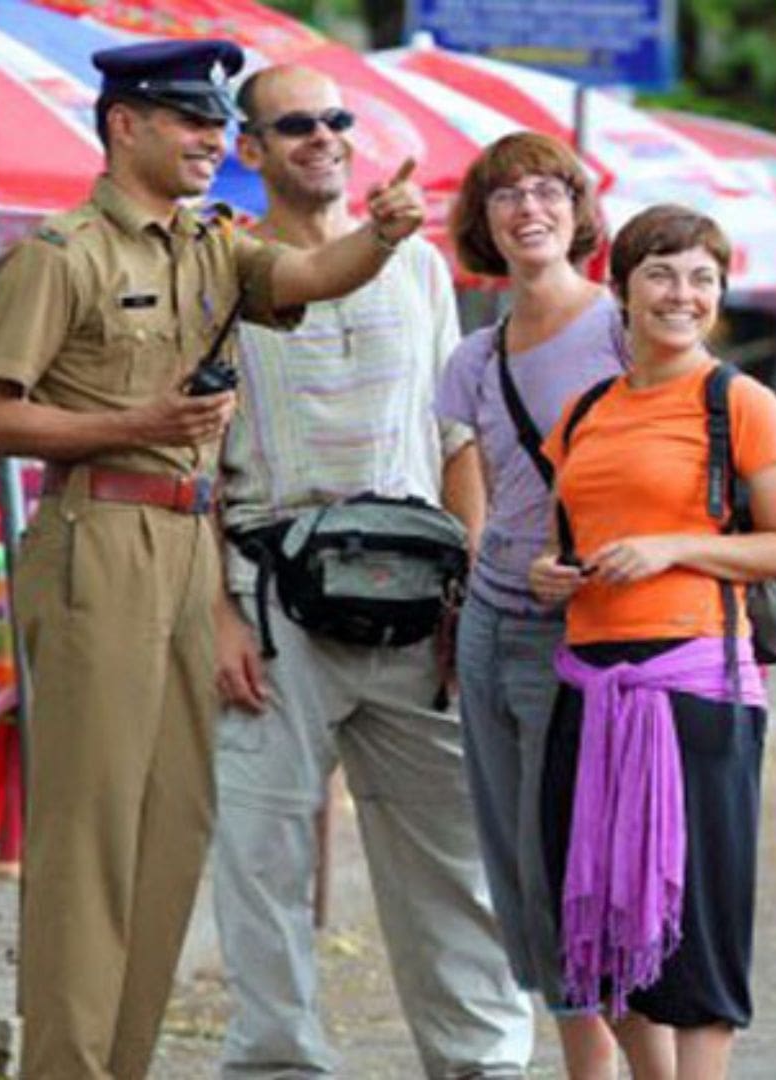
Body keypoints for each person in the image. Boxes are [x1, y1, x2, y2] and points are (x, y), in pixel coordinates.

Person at [0, 40, 425, 1079]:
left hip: (186, 544)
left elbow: (311, 274)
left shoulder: (213, 244)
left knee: (173, 826)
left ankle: (123, 1062)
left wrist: (385, 238)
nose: (217, 139)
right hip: (98, 539)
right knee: (90, 835)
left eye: (220, 122)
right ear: (125, 125)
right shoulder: (61, 254)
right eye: (189, 120)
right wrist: (139, 418)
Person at [206, 65, 533, 1077]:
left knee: (456, 854)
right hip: (269, 601)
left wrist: (470, 591)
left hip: (416, 599)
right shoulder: (221, 269)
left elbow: (456, 440)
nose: (324, 136)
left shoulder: (422, 268)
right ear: (250, 151)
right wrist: (213, 611)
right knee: (261, 860)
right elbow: (187, 464)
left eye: (336, 119)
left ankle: (482, 1061)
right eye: (295, 124)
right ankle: (277, 1063)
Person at [528, 205, 776, 1078]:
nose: (680, 295)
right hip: (588, 685)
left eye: (701, 279)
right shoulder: (584, 413)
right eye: (660, 274)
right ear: (621, 291)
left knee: (696, 926)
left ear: (720, 296)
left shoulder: (742, 404)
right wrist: (552, 572)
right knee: (599, 928)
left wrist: (674, 546)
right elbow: (569, 535)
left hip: (697, 688)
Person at [433, 131, 627, 1078]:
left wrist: (589, 555)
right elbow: (470, 468)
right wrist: (477, 563)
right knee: (519, 864)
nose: (529, 209)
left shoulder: (627, 329)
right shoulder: (474, 356)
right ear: (484, 222)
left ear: (578, 212)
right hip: (490, 619)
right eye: (506, 196)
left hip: (590, 627)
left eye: (549, 191)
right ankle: (578, 1061)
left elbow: (687, 451)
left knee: (587, 855)